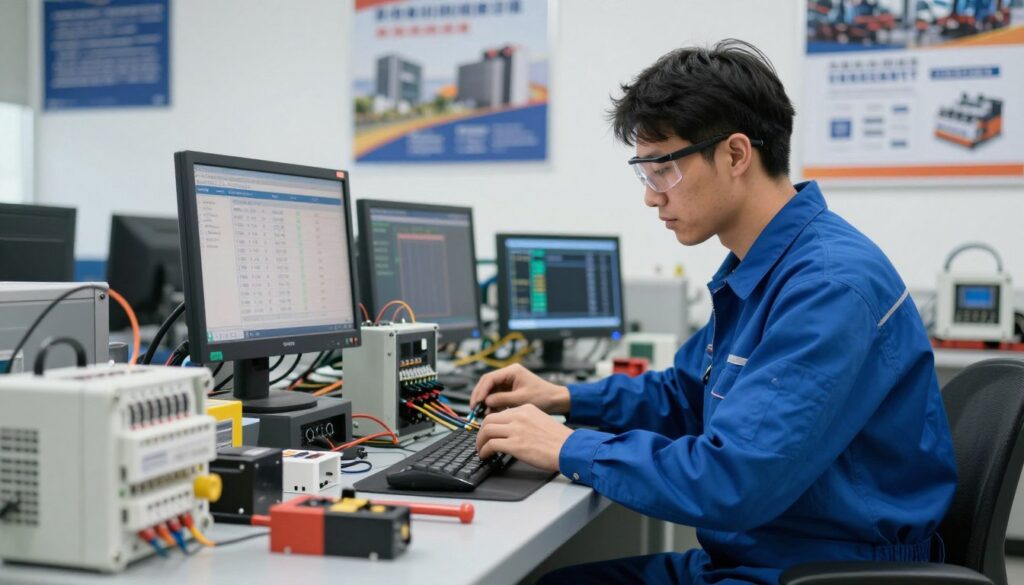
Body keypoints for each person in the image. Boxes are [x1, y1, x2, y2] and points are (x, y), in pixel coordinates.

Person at [470, 39, 957, 585]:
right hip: (762, 554)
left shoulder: (827, 287)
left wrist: (567, 445)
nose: (652, 196)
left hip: (817, 570)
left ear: (734, 154)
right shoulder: (765, 268)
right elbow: (685, 394)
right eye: (644, 172)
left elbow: (734, 481)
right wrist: (562, 397)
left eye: (662, 169)